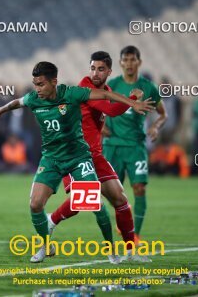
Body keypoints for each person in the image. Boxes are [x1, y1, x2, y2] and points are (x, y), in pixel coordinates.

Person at [0, 61, 154, 263]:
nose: (37, 89)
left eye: (41, 84)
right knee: (35, 204)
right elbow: (16, 102)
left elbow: (106, 95)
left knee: (96, 206)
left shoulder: (72, 94)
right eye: (35, 84)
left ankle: (111, 250)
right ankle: (46, 245)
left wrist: (132, 102)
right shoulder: (33, 98)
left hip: (78, 158)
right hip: (51, 158)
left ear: (54, 82)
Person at [48, 51, 150, 263]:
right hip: (74, 154)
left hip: (94, 155)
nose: (95, 73)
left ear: (109, 71)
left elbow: (103, 112)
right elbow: (111, 110)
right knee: (83, 201)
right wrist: (132, 99)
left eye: (100, 69)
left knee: (120, 200)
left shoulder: (108, 90)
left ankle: (130, 253)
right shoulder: (86, 86)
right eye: (93, 68)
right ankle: (50, 221)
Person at [102, 46, 167, 245]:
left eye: (132, 60)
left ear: (139, 62)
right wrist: (100, 126)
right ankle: (124, 221)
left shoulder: (148, 87)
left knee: (139, 188)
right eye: (125, 60)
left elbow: (163, 114)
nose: (129, 64)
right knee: (112, 194)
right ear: (120, 63)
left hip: (136, 146)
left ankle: (135, 236)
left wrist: (156, 127)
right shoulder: (111, 85)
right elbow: (96, 108)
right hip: (112, 145)